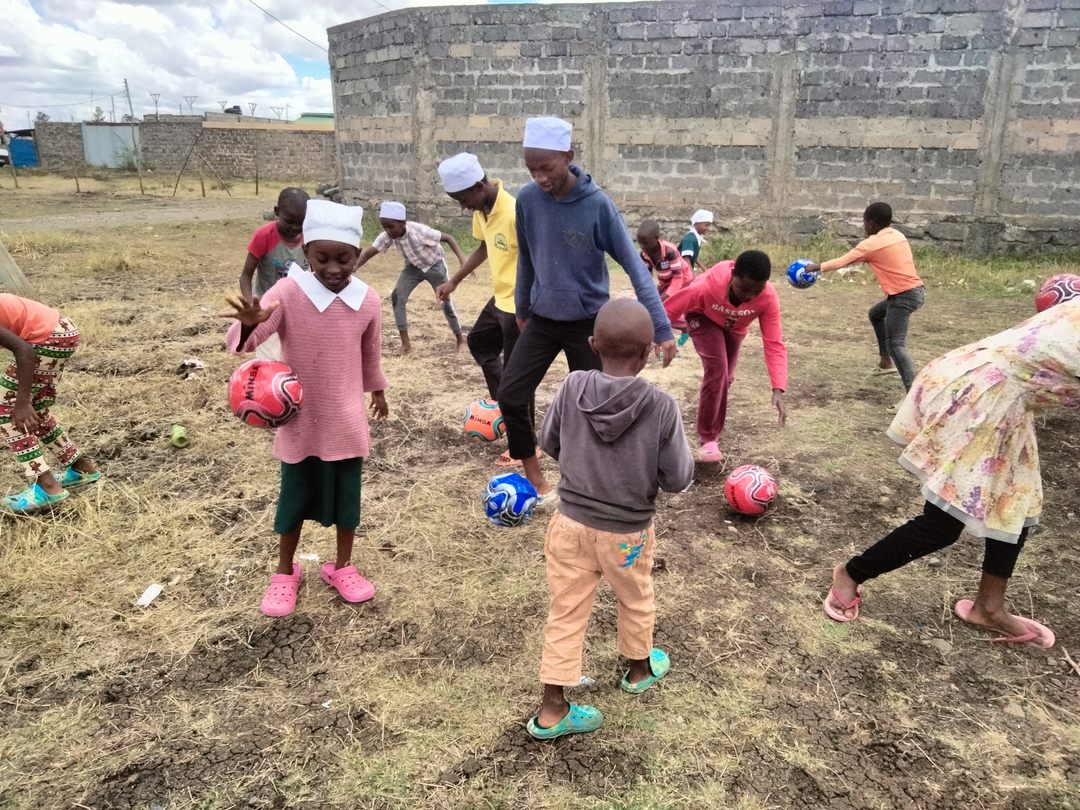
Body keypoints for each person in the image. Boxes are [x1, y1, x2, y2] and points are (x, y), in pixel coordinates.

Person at [822, 296, 1080, 648]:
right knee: (943, 523)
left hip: (1007, 399)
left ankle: (988, 607)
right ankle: (850, 574)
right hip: (983, 395)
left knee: (1017, 505)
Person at [529, 298, 694, 739]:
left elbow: (550, 442)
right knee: (636, 598)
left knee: (565, 612)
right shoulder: (661, 406)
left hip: (569, 526)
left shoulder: (572, 385)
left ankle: (552, 708)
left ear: (592, 345)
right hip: (628, 534)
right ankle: (639, 670)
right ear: (647, 353)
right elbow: (678, 478)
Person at [224, 200, 388, 618]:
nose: (333, 268)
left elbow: (370, 354)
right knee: (293, 499)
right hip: (299, 422)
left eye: (343, 259)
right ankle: (285, 572)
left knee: (347, 501)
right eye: (322, 257)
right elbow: (245, 341)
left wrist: (378, 391)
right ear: (306, 252)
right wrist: (248, 322)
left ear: (357, 255)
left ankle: (342, 566)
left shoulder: (367, 300)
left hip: (346, 419)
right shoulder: (288, 293)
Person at [499, 116, 677, 502]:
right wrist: (523, 304)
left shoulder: (597, 206)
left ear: (568, 157)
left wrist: (661, 328)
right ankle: (536, 481)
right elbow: (527, 256)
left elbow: (635, 268)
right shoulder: (528, 200)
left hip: (588, 325)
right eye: (531, 169)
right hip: (543, 317)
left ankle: (590, 484)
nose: (539, 177)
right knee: (511, 394)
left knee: (596, 409)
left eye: (546, 167)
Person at [434, 152, 531, 467]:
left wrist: (528, 305)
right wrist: (454, 281)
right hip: (500, 298)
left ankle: (524, 444)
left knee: (518, 376)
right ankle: (505, 406)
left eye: (463, 200)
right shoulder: (483, 210)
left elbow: (534, 258)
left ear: (478, 187)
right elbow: (484, 247)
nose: (463, 207)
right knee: (479, 342)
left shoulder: (514, 211)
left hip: (519, 303)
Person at [663, 251, 788, 463]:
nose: (749, 297)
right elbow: (670, 308)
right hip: (701, 315)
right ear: (732, 277)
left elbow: (774, 342)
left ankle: (713, 411)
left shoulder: (767, 298)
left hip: (735, 327)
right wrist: (659, 334)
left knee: (725, 378)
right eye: (743, 289)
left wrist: (778, 387)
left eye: (756, 291)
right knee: (718, 368)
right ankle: (708, 438)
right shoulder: (708, 285)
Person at [804, 202, 925, 391]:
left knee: (896, 343)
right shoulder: (898, 235)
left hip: (902, 296)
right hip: (917, 291)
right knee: (875, 314)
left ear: (872, 223)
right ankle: (885, 363)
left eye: (864, 222)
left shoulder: (872, 244)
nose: (864, 227)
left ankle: (914, 392)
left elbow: (844, 261)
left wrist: (816, 267)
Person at [0, 294, 100, 514]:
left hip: (47, 338)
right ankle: (82, 469)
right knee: (37, 411)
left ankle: (47, 487)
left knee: (7, 410)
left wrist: (22, 402)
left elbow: (24, 351)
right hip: (62, 332)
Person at [354, 201, 467, 355]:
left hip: (434, 264)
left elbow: (449, 238)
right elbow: (369, 252)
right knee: (397, 297)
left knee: (445, 301)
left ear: (403, 223)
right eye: (384, 227)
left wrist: (462, 260)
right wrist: (354, 267)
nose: (387, 231)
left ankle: (460, 340)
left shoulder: (419, 231)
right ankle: (406, 346)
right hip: (413, 267)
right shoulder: (387, 236)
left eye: (391, 227)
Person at [239, 187, 310, 361]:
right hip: (267, 311)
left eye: (301, 223)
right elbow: (246, 276)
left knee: (295, 359)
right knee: (269, 361)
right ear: (277, 212)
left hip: (296, 310)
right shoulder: (264, 236)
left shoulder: (309, 238)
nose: (295, 228)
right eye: (289, 221)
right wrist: (251, 306)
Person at [636, 219, 695, 303]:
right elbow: (647, 277)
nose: (642, 246)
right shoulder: (644, 255)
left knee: (668, 305)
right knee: (651, 301)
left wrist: (662, 298)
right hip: (665, 282)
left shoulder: (669, 251)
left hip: (683, 281)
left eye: (645, 243)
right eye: (639, 242)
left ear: (657, 237)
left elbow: (678, 278)